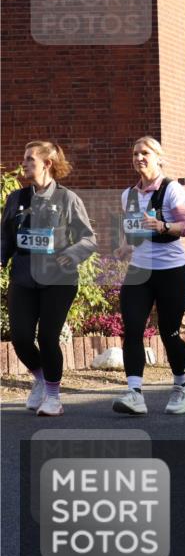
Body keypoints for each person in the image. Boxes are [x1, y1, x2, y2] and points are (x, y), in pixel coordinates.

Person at [2, 141, 97, 416]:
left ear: (47, 164)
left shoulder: (68, 199)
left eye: (30, 158)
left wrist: (71, 254)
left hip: (59, 280)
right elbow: (5, 237)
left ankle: (54, 397)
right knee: (20, 337)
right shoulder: (16, 199)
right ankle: (42, 380)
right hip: (23, 277)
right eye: (24, 157)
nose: (24, 163)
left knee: (47, 337)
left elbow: (88, 239)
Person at [112, 137, 185, 415]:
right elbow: (134, 232)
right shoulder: (129, 195)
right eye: (135, 153)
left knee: (169, 333)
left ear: (159, 157)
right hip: (139, 271)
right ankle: (134, 393)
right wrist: (125, 246)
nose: (139, 157)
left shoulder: (173, 190)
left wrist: (162, 225)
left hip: (171, 271)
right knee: (133, 329)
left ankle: (182, 384)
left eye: (145, 152)